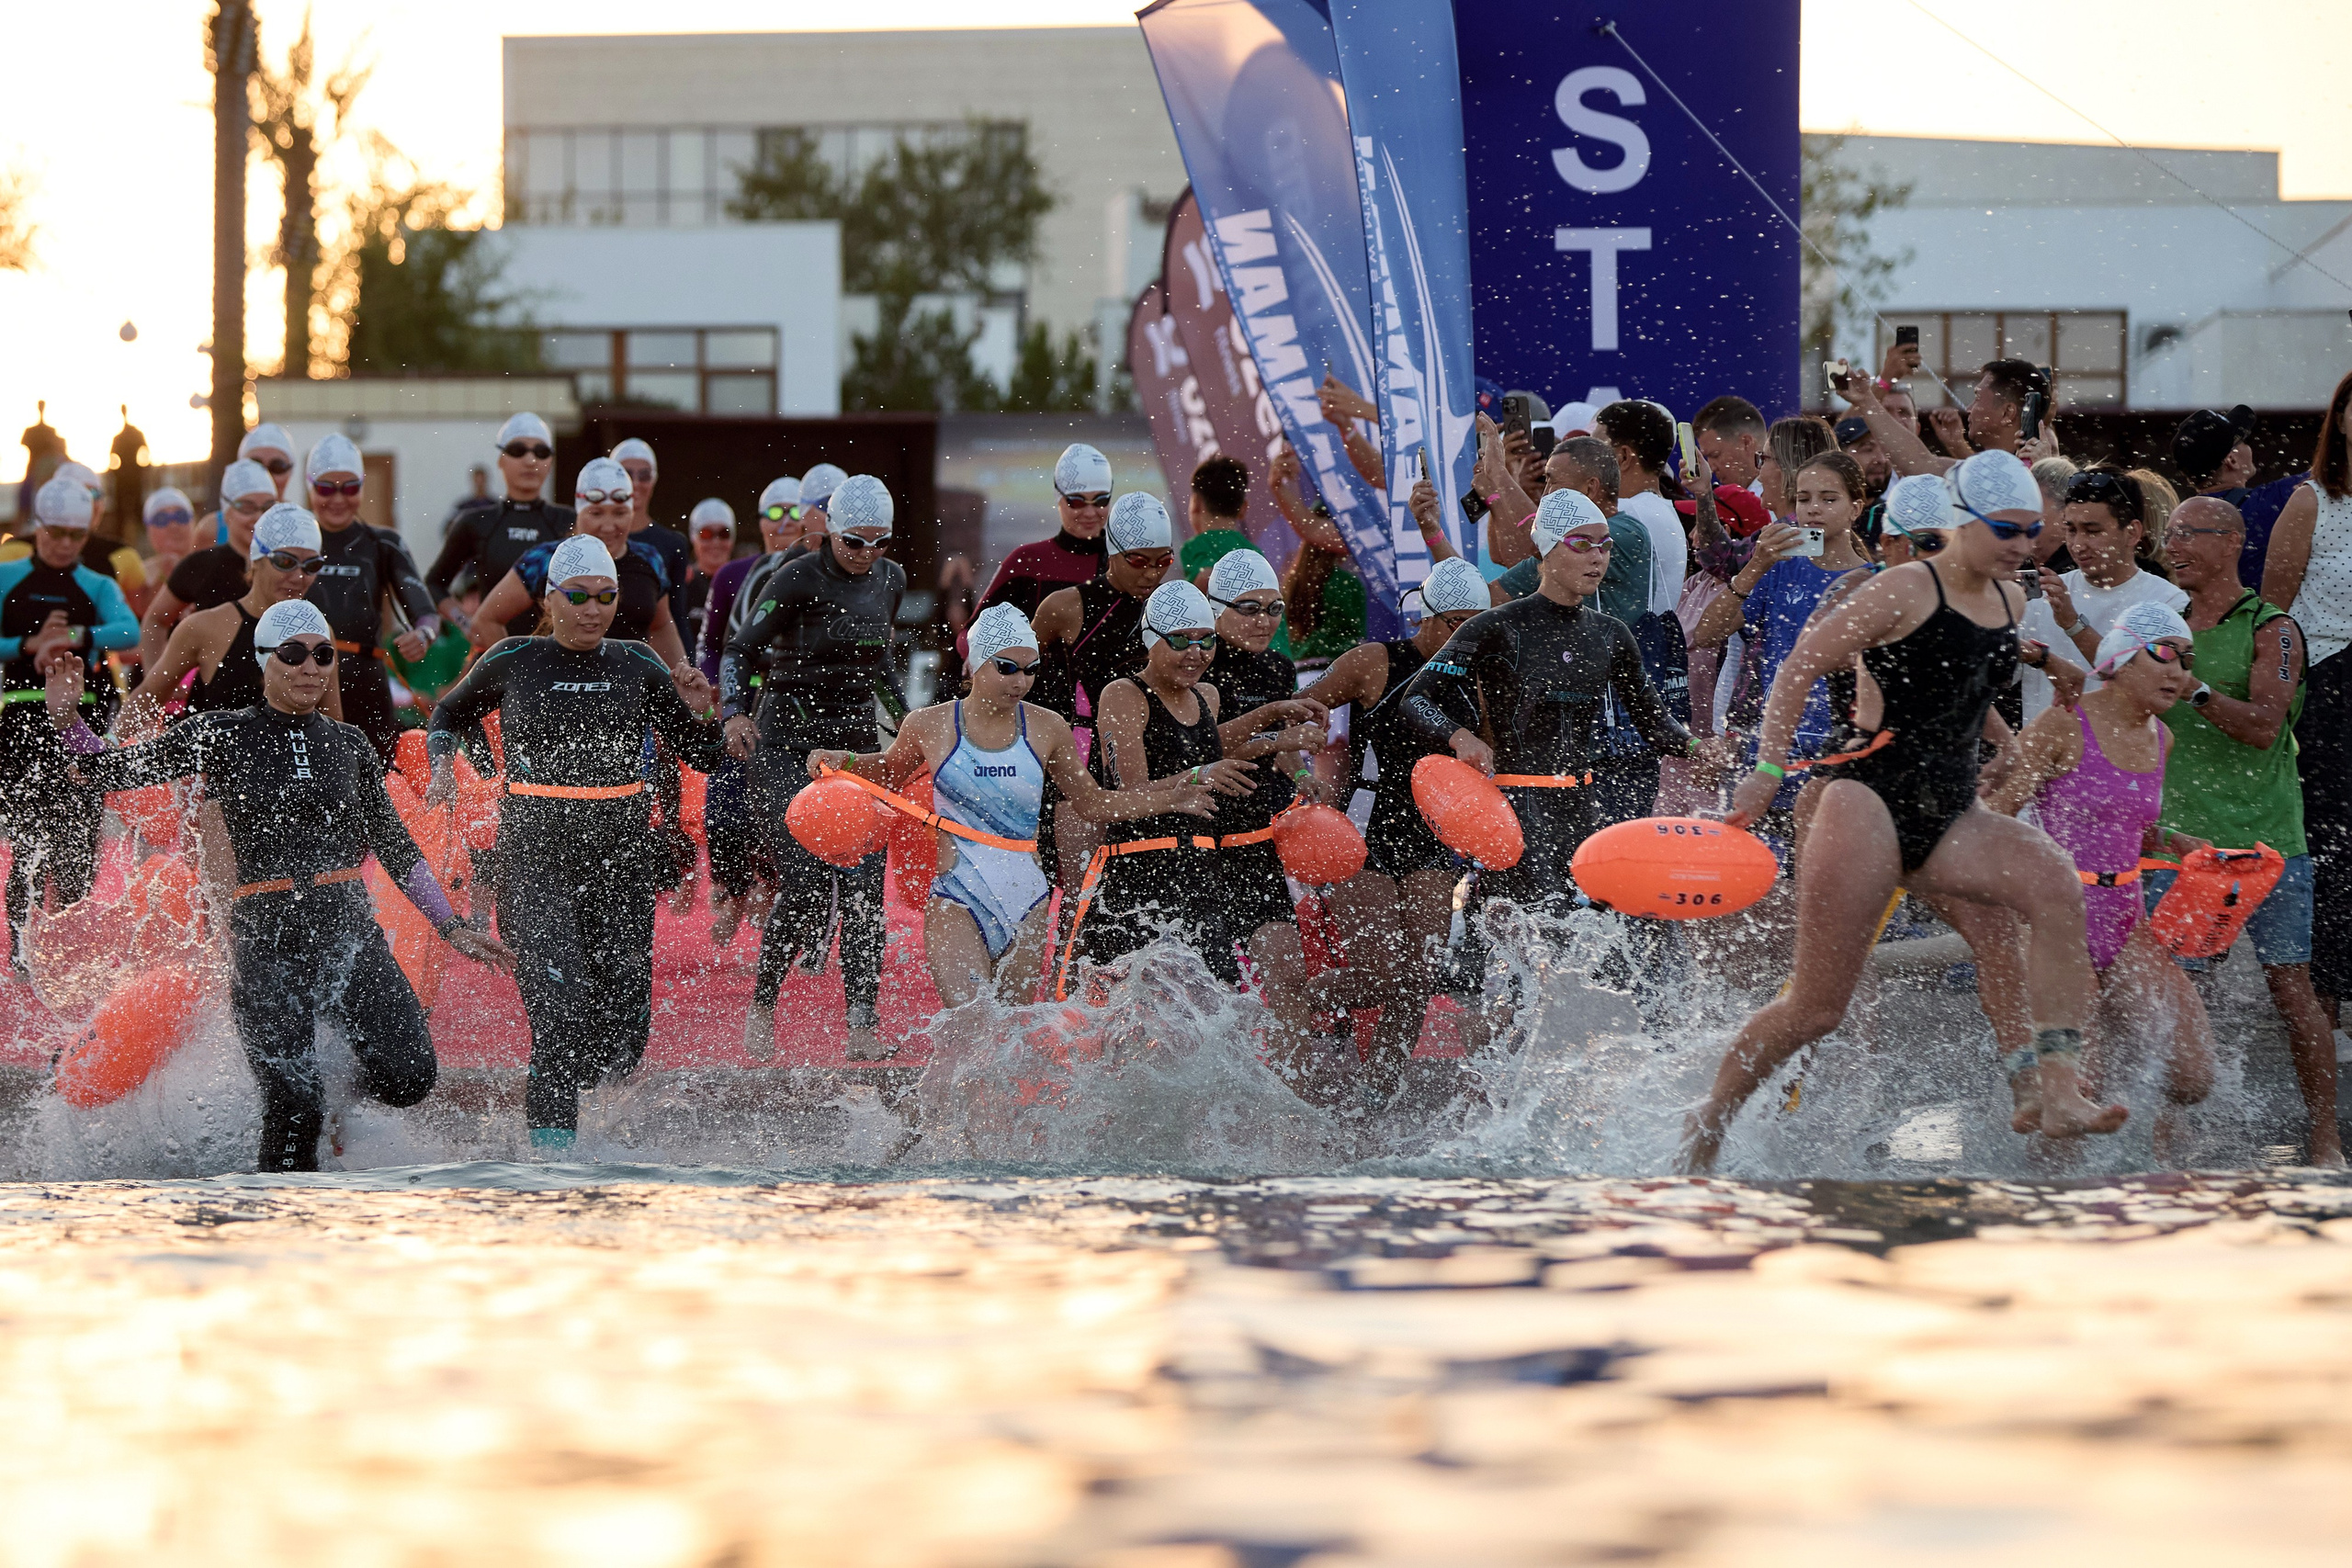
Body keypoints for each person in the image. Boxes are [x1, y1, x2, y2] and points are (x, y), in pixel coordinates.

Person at [1683, 449, 2120, 1172]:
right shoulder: (1897, 590)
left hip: (1949, 809)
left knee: (2052, 884)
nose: (2024, 546)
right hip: (1867, 800)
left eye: (2030, 531)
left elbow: (1966, 669)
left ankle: (2055, 1083)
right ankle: (1710, 1117)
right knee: (1818, 1008)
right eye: (2008, 532)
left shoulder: (2009, 597)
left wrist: (2011, 730)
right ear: (1960, 527)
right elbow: (1798, 668)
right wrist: (1764, 773)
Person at [45, 598, 510, 1169]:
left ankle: (337, 1096)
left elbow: (396, 847)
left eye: (322, 655)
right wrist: (69, 723)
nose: (311, 667)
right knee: (294, 1106)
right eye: (294, 655)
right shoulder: (220, 734)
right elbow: (115, 772)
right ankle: (278, 1231)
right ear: (266, 660)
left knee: (411, 1076)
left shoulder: (350, 745)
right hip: (264, 942)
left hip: (348, 934)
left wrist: (451, 925)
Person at [427, 535, 722, 1149]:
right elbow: (447, 714)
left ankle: (573, 1118)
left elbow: (704, 754)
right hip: (534, 863)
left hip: (621, 865)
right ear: (551, 597)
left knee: (621, 1041)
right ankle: (551, 1170)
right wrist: (441, 768)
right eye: (580, 596)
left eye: (607, 596)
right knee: (560, 1020)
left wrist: (709, 715)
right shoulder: (512, 658)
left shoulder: (638, 662)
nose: (593, 609)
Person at [809, 603, 1227, 1010]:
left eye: (1031, 670)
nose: (1021, 680)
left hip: (1027, 897)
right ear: (975, 665)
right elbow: (887, 770)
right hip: (957, 894)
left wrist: (1173, 796)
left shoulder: (1048, 726)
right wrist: (841, 760)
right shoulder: (930, 724)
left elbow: (1093, 803)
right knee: (971, 1022)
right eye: (1007, 667)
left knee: (1010, 1038)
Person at [1400, 489, 1718, 917]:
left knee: (1597, 940)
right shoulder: (1496, 626)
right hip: (1515, 810)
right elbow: (1416, 697)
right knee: (1536, 938)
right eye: (1582, 544)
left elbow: (1653, 721)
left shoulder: (1611, 635)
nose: (1598, 557)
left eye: (1605, 546)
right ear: (1546, 550)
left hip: (1585, 809)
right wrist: (1460, 738)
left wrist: (1699, 749)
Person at [1983, 603, 2216, 1145]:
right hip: (2057, 922)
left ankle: (2145, 1157)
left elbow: (2126, 827)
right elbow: (1996, 817)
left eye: (2186, 659)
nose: (2179, 671)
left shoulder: (2162, 738)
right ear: (2120, 659)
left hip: (2125, 920)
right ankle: (2051, 1209)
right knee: (2079, 1086)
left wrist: (2173, 841)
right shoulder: (2065, 721)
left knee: (2192, 1078)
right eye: (2164, 654)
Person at [2152, 495, 2340, 1166]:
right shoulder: (2163, 625)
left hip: (2267, 841)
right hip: (2185, 844)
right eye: (2167, 535)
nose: (2172, 546)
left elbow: (2265, 727)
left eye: (2188, 535)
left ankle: (2324, 1140)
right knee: (2181, 996)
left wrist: (2193, 688)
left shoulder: (2274, 626)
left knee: (2293, 993)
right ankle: (2168, 1140)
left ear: (2231, 541)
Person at [722, 474, 906, 1062]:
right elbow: (741, 650)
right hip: (785, 743)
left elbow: (879, 669)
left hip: (852, 746)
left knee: (862, 887)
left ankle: (862, 1024)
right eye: (855, 542)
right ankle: (763, 1004)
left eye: (880, 543)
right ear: (829, 530)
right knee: (803, 886)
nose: (867, 555)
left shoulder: (891, 580)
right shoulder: (799, 575)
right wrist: (734, 714)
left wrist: (908, 730)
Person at [1299, 557, 1490, 1089]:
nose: (1469, 636)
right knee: (1381, 975)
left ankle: (1378, 1091)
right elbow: (1297, 709)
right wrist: (1300, 750)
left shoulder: (1476, 677)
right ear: (1426, 617)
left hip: (1431, 837)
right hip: (1364, 829)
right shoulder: (1374, 662)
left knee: (1420, 980)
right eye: (1459, 623)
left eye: (1479, 623)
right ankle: (1292, 996)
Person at [1198, 549, 1334, 1073]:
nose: (1264, 621)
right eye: (1249, 609)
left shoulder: (1278, 665)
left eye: (1274, 608)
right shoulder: (1199, 661)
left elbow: (1283, 748)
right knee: (1208, 995)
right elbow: (1203, 746)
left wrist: (1303, 775)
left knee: (1288, 979)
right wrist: (1278, 731)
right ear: (1216, 609)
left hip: (1256, 845)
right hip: (1204, 851)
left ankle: (1288, 1104)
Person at [1, 474, 141, 974]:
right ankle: (21, 954)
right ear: (36, 528)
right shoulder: (7, 575)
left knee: (79, 842)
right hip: (19, 721)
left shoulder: (96, 584)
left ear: (87, 534)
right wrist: (27, 646)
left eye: (74, 536)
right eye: (54, 532)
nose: (63, 544)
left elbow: (130, 629)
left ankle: (70, 954)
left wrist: (75, 635)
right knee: (28, 844)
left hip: (76, 723)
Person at [1694, 451, 1874, 831]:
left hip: (1839, 752)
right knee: (1763, 879)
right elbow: (1706, 633)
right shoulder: (1782, 566)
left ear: (1856, 508)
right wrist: (1756, 565)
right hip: (1771, 751)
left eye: (1829, 499)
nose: (1813, 509)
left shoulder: (1872, 583)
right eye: (1804, 498)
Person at [2260, 369, 2352, 1027]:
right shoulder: (2313, 499)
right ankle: (2326, 994)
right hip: (2328, 683)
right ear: (2339, 419)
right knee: (2332, 840)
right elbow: (2274, 611)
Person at [1027, 491, 1173, 887]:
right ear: (1113, 551)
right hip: (1085, 757)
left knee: (1150, 889)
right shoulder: (1067, 606)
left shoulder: (1173, 607)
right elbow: (1018, 671)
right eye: (1139, 561)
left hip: (1159, 755)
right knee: (1081, 894)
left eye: (1164, 561)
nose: (1151, 573)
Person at [119, 502, 338, 735]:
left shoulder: (319, 632)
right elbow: (147, 698)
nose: (299, 576)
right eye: (285, 562)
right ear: (257, 559)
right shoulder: (206, 627)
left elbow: (333, 729)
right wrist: (107, 749)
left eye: (311, 565)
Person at [696, 476, 804, 945]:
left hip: (793, 704)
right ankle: (734, 888)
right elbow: (712, 645)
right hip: (744, 703)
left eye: (793, 511)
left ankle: (778, 895)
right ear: (759, 522)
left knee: (788, 812)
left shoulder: (819, 574)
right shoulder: (733, 575)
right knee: (724, 810)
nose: (784, 521)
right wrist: (722, 695)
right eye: (774, 512)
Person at [470, 458, 689, 669]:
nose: (608, 525)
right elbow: (486, 620)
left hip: (628, 699)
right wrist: (524, 677)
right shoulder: (545, 559)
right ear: (579, 512)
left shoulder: (649, 559)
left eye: (620, 513)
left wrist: (683, 679)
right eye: (596, 513)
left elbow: (661, 628)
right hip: (559, 696)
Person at [299, 434, 437, 762]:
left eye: (349, 488)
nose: (337, 499)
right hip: (302, 682)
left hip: (366, 687)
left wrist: (423, 635)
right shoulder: (294, 546)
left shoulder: (382, 544)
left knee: (375, 787)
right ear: (309, 487)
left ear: (362, 486)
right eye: (325, 488)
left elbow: (425, 612)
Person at [2016, 468, 2188, 720]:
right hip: (2044, 753)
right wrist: (1994, 611)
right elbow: (1999, 674)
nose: (2077, 544)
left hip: (2120, 756)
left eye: (2092, 531)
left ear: (2132, 533)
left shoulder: (2167, 601)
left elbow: (2146, 685)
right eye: (2071, 530)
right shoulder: (2043, 593)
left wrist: (2072, 624)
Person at [424, 413, 575, 636]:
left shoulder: (569, 521)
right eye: (518, 451)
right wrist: (469, 625)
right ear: (501, 459)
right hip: (496, 656)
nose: (530, 460)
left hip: (554, 657)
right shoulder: (477, 522)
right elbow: (434, 584)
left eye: (541, 452)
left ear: (550, 461)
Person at [1491, 438, 1651, 619]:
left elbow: (1530, 548)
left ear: (1590, 489)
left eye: (1553, 483)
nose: (1546, 493)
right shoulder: (1560, 544)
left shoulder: (1627, 533)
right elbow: (1499, 562)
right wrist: (1494, 496)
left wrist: (1499, 476)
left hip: (1612, 646)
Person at [141, 458, 277, 669]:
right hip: (211, 695)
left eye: (268, 507)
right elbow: (155, 621)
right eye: (246, 507)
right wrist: (162, 682)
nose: (258, 517)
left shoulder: (290, 563)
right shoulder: (200, 565)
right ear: (227, 512)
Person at [2172, 404, 2311, 588]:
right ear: (2232, 460)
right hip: (2261, 615)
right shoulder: (2266, 503)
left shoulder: (2183, 521)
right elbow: (2332, 471)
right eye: (2244, 441)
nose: (2249, 446)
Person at [977, 444, 1112, 624]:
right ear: (1059, 498)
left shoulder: (1128, 563)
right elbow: (970, 634)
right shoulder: (1027, 561)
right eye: (1077, 502)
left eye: (1101, 501)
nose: (1089, 512)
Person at [1594, 400, 1686, 615]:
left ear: (1623, 457)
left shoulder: (1630, 513)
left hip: (1629, 646)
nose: (1585, 460)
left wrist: (1499, 471)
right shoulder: (1656, 510)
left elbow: (1531, 551)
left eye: (1594, 449)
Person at [612, 437, 690, 625]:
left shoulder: (673, 544)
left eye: (644, 475)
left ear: (653, 481)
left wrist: (685, 654)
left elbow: (677, 616)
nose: (636, 483)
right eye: (627, 474)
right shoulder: (599, 536)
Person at [681, 496, 738, 659]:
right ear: (694, 538)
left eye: (724, 534)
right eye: (706, 534)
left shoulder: (743, 581)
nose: (716, 542)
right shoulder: (683, 582)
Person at [132, 488, 198, 619]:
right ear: (149, 530)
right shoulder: (139, 575)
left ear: (193, 521)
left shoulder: (212, 567)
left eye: (181, 516)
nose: (173, 526)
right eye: (161, 519)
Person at [1691, 396, 1767, 494]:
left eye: (1715, 455)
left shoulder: (1778, 502)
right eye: (1707, 458)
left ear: (1746, 443)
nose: (1711, 468)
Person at [1837, 416, 1893, 500]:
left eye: (1886, 450)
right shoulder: (1818, 510)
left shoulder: (1895, 511)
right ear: (1839, 457)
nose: (1882, 459)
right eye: (1868, 449)